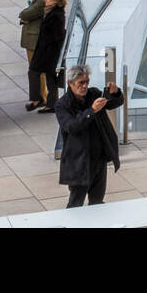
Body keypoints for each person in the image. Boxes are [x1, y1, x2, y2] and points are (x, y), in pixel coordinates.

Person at [55, 64, 123, 208]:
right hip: (79, 162)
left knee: (97, 202)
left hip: (98, 159)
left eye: (87, 82)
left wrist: (115, 93)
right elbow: (72, 127)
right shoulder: (62, 105)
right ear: (70, 83)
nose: (85, 86)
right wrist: (91, 111)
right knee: (76, 203)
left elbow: (113, 103)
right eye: (81, 83)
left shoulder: (93, 94)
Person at [29, 0, 66, 113]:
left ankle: (40, 100)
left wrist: (46, 42)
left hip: (48, 52)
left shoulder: (57, 15)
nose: (46, 0)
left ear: (55, 1)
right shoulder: (52, 12)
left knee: (35, 72)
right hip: (47, 51)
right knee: (50, 78)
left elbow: (57, 35)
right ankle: (51, 104)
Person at [19, 0, 50, 110]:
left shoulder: (41, 1)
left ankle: (41, 98)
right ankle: (42, 96)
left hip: (34, 41)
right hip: (35, 39)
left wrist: (25, 17)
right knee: (37, 70)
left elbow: (24, 13)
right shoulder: (40, 0)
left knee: (36, 70)